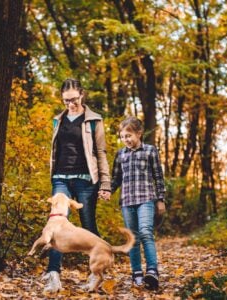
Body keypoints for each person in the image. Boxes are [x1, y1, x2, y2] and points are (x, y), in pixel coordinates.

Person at [42, 78, 112, 293]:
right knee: (57, 227)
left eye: (73, 99)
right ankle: (53, 274)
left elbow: (100, 153)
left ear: (82, 95)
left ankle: (96, 273)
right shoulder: (58, 120)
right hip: (61, 178)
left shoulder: (93, 120)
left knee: (88, 226)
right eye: (66, 101)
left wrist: (106, 183)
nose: (70, 104)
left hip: (85, 180)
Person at [111, 116, 166, 290]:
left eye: (129, 135)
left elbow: (158, 177)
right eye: (122, 137)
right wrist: (106, 191)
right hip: (127, 201)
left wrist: (161, 200)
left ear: (139, 133)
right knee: (132, 238)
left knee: (145, 232)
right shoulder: (120, 154)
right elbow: (116, 179)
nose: (126, 139)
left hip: (146, 199)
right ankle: (136, 273)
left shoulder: (150, 151)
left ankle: (152, 271)